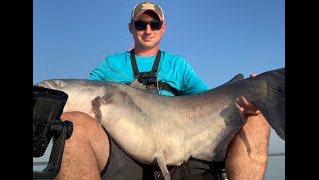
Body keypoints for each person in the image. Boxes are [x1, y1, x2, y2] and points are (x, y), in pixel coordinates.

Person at [56, 2, 270, 180]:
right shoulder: (110, 64)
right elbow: (84, 92)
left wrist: (247, 93)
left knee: (256, 118)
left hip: (185, 151)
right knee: (71, 125)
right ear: (131, 27)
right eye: (141, 24)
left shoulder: (178, 65)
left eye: (154, 24)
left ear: (163, 27)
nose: (147, 30)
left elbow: (209, 101)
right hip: (123, 154)